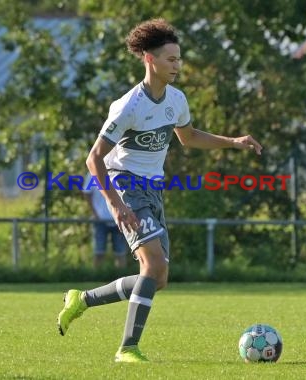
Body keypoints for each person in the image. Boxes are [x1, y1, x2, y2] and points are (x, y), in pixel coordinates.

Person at [57, 18, 263, 363]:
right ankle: (128, 348)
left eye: (179, 59)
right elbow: (94, 160)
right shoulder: (128, 106)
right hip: (126, 186)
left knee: (157, 277)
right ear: (150, 59)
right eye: (171, 59)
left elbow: (190, 137)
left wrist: (234, 142)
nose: (177, 66)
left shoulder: (177, 100)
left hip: (153, 190)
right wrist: (116, 204)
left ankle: (82, 300)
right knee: (152, 267)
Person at [83, 173, 128, 269]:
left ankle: (121, 279)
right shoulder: (92, 173)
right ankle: (96, 278)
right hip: (99, 220)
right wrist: (95, 214)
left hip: (119, 219)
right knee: (99, 252)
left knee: (120, 253)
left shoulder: (120, 171)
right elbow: (87, 193)